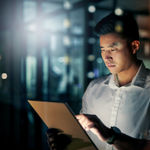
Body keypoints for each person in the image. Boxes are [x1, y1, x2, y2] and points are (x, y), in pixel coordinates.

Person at [47, 10, 150, 150]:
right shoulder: (94, 89)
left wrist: (109, 135)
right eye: (103, 49)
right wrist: (67, 143)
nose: (106, 57)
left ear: (134, 47)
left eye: (113, 49)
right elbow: (84, 142)